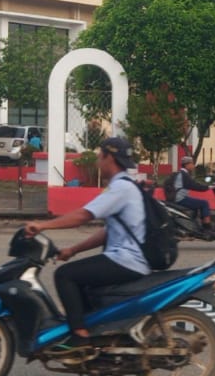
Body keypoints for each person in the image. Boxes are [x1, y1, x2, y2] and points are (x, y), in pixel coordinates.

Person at [23, 136, 148, 346]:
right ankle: (97, 334)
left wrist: (42, 226)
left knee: (65, 275)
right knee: (82, 282)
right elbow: (108, 232)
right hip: (126, 257)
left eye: (101, 156)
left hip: (127, 260)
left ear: (110, 158)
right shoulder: (125, 186)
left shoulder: (121, 189)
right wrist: (73, 250)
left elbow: (84, 215)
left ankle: (79, 338)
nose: (98, 161)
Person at [169, 156, 213, 231]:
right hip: (180, 199)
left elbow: (194, 183)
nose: (193, 165)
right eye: (192, 163)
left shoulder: (182, 174)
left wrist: (205, 186)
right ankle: (207, 226)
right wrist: (207, 187)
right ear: (186, 165)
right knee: (204, 203)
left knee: (196, 206)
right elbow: (193, 185)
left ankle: (194, 225)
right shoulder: (184, 174)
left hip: (178, 197)